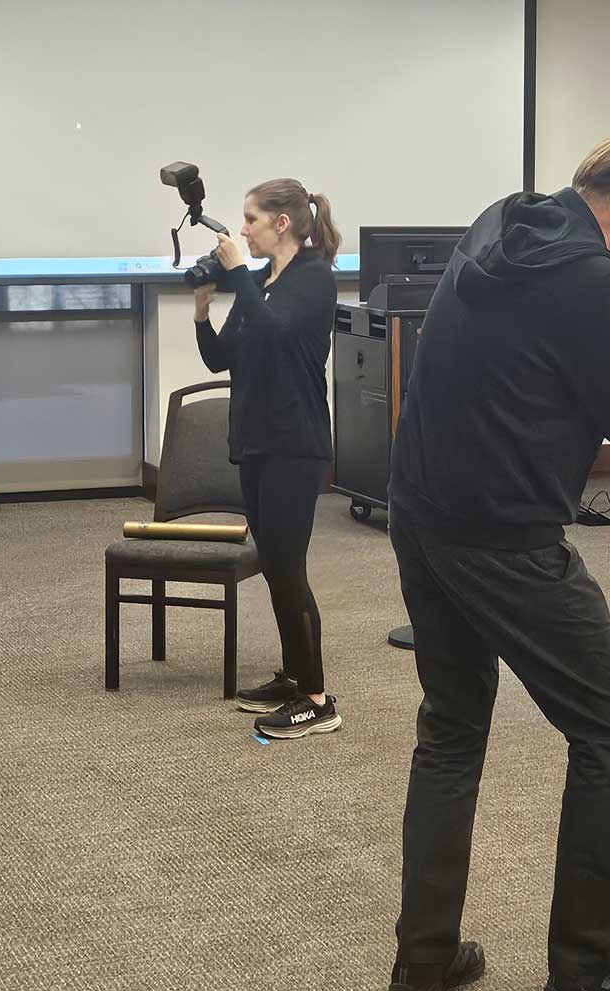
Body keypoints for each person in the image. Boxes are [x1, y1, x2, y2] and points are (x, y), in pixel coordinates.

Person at [381, 135, 610, 991]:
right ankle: (589, 966)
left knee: (450, 728)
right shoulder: (595, 282)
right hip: (506, 536)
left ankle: (423, 960)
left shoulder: (500, 223)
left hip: (421, 511)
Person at [193, 178, 340, 739]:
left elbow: (279, 336)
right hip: (255, 442)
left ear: (282, 223)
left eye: (251, 219)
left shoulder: (314, 280)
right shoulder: (263, 283)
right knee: (276, 568)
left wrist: (237, 279)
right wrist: (204, 309)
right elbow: (220, 359)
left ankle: (317, 698)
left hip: (294, 445)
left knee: (286, 567)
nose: (243, 230)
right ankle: (293, 676)